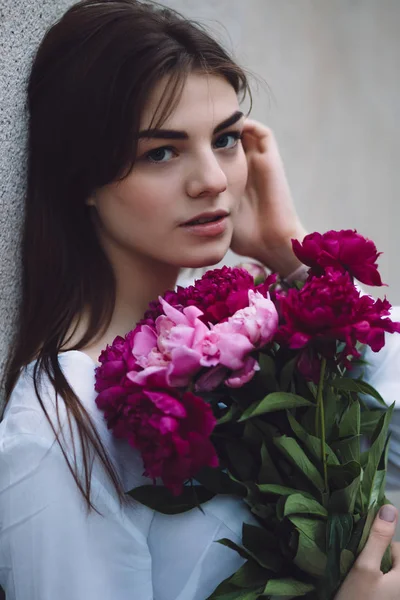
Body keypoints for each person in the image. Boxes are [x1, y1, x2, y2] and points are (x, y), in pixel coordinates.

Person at [0, 1, 399, 598]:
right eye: (162, 152)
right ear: (81, 176)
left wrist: (293, 258)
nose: (212, 179)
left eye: (226, 139)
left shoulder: (239, 336)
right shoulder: (59, 433)